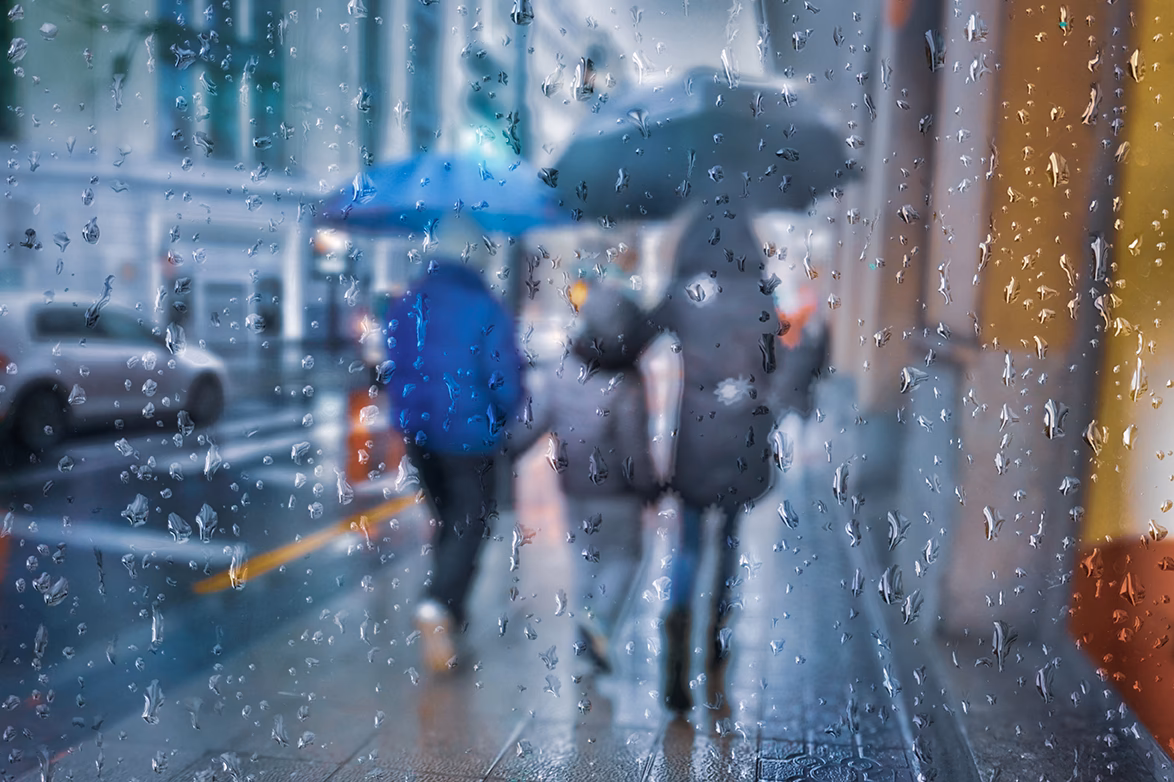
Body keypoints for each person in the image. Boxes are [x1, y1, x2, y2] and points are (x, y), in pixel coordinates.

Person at [652, 209, 782, 713]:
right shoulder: (761, 297)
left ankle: (676, 652)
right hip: (743, 434)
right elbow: (775, 365)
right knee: (729, 541)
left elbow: (636, 332)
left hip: (696, 436)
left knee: (686, 546)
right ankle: (717, 644)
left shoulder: (686, 294)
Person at [383, 225, 524, 674]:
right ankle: (439, 605)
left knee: (448, 517)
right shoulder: (486, 307)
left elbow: (394, 364)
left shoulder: (408, 302)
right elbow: (503, 378)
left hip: (419, 432)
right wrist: (505, 415)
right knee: (472, 518)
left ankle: (450, 609)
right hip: (469, 432)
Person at [511, 277, 659, 673]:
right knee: (626, 558)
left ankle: (587, 630)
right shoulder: (627, 380)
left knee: (586, 558)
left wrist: (502, 450)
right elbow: (634, 446)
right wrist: (649, 486)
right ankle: (599, 623)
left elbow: (534, 420)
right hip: (618, 492)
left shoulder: (563, 369)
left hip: (574, 485)